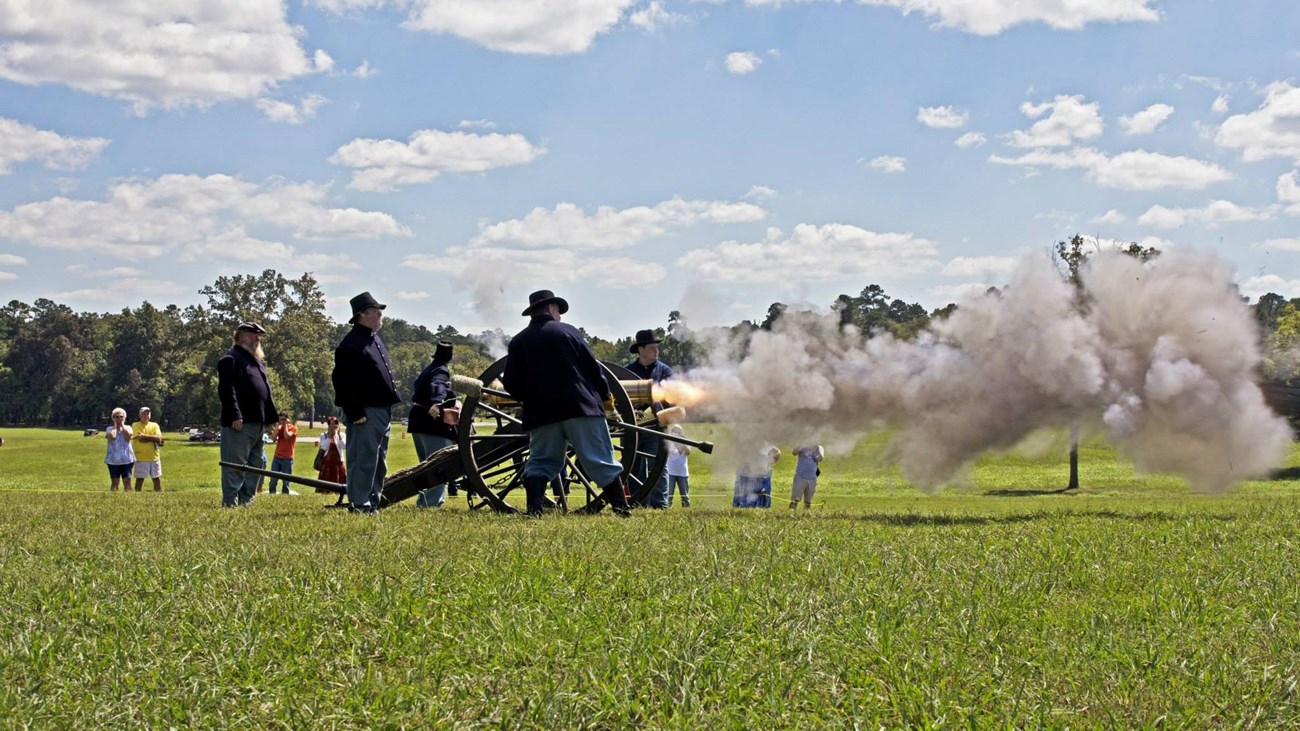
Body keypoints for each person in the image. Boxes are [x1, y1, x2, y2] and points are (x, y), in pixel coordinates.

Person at [501, 289, 631, 517]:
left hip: (541, 414)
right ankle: (622, 509)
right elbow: (594, 369)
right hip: (580, 407)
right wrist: (605, 397)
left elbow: (511, 383)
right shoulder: (569, 332)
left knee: (541, 461)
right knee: (599, 459)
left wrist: (532, 397)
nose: (559, 316)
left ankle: (534, 511)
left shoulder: (519, 341)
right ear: (551, 309)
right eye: (558, 311)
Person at [332, 291, 400, 514]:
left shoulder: (374, 339)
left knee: (379, 460)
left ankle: (373, 500)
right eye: (375, 311)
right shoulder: (351, 344)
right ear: (362, 315)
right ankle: (360, 503)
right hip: (365, 411)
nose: (380, 315)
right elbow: (342, 381)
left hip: (382, 410)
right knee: (363, 459)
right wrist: (354, 411)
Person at [217, 321, 278, 507]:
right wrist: (235, 415)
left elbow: (264, 391)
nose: (257, 338)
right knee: (235, 464)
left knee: (255, 465)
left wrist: (269, 418)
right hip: (240, 423)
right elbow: (227, 390)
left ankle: (246, 500)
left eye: (258, 335)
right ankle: (230, 502)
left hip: (258, 423)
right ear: (241, 335)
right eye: (253, 334)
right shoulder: (230, 359)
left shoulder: (256, 361)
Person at [625, 329, 674, 508]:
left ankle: (659, 504)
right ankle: (637, 503)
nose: (657, 350)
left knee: (658, 466)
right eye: (652, 347)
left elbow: (672, 397)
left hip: (656, 426)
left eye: (656, 347)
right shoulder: (627, 372)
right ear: (641, 350)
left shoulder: (664, 371)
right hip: (632, 427)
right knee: (633, 466)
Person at [410, 340, 457, 508]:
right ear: (450, 358)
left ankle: (423, 501)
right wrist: (437, 402)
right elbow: (437, 385)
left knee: (425, 465)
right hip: (432, 422)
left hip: (418, 420)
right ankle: (431, 503)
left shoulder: (429, 368)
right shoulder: (441, 370)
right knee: (439, 465)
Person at [733, 442, 780, 508]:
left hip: (763, 477)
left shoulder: (767, 444)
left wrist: (773, 458)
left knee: (762, 501)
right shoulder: (748, 442)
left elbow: (776, 453)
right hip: (746, 475)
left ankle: (761, 509)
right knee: (745, 501)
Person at [131, 406, 164, 492]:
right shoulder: (135, 425)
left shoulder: (155, 425)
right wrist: (152, 438)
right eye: (144, 414)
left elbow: (159, 438)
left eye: (148, 414)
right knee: (140, 479)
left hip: (154, 457)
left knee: (157, 479)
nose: (146, 415)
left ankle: (159, 495)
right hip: (141, 457)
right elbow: (139, 439)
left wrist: (144, 436)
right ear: (139, 415)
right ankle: (137, 496)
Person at [317, 415, 348, 506]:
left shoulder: (342, 435)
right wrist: (330, 437)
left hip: (339, 461)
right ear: (328, 425)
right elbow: (324, 447)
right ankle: (326, 493)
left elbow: (344, 446)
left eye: (335, 424)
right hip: (327, 461)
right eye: (332, 424)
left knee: (340, 479)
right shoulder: (324, 435)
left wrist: (338, 435)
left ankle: (339, 493)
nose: (334, 426)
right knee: (327, 479)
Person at [266, 412, 299, 495]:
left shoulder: (293, 428)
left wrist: (285, 425)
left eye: (284, 419)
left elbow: (287, 436)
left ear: (288, 419)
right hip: (277, 457)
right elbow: (273, 438)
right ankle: (272, 493)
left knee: (286, 481)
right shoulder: (279, 427)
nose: (282, 421)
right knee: (273, 479)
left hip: (288, 457)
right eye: (281, 419)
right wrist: (277, 425)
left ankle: (285, 494)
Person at [104, 407, 135, 491]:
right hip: (113, 460)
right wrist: (115, 426)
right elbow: (112, 436)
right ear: (113, 418)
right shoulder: (109, 429)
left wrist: (122, 426)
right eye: (116, 417)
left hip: (127, 459)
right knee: (115, 482)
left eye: (121, 417)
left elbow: (128, 437)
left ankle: (128, 497)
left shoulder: (128, 428)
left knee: (127, 480)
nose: (119, 418)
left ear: (124, 418)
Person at [790, 444, 824, 509]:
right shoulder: (802, 446)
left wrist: (814, 449)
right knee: (795, 500)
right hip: (800, 477)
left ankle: (806, 515)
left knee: (808, 501)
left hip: (812, 478)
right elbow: (794, 453)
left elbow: (820, 458)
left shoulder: (819, 448)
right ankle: (790, 515)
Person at [665, 423, 691, 508]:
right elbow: (665, 453)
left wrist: (680, 442)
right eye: (674, 431)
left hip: (682, 472)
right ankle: (667, 509)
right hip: (670, 471)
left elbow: (688, 452)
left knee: (685, 496)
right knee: (669, 494)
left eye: (678, 431)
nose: (676, 433)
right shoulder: (668, 442)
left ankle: (686, 509)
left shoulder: (685, 441)